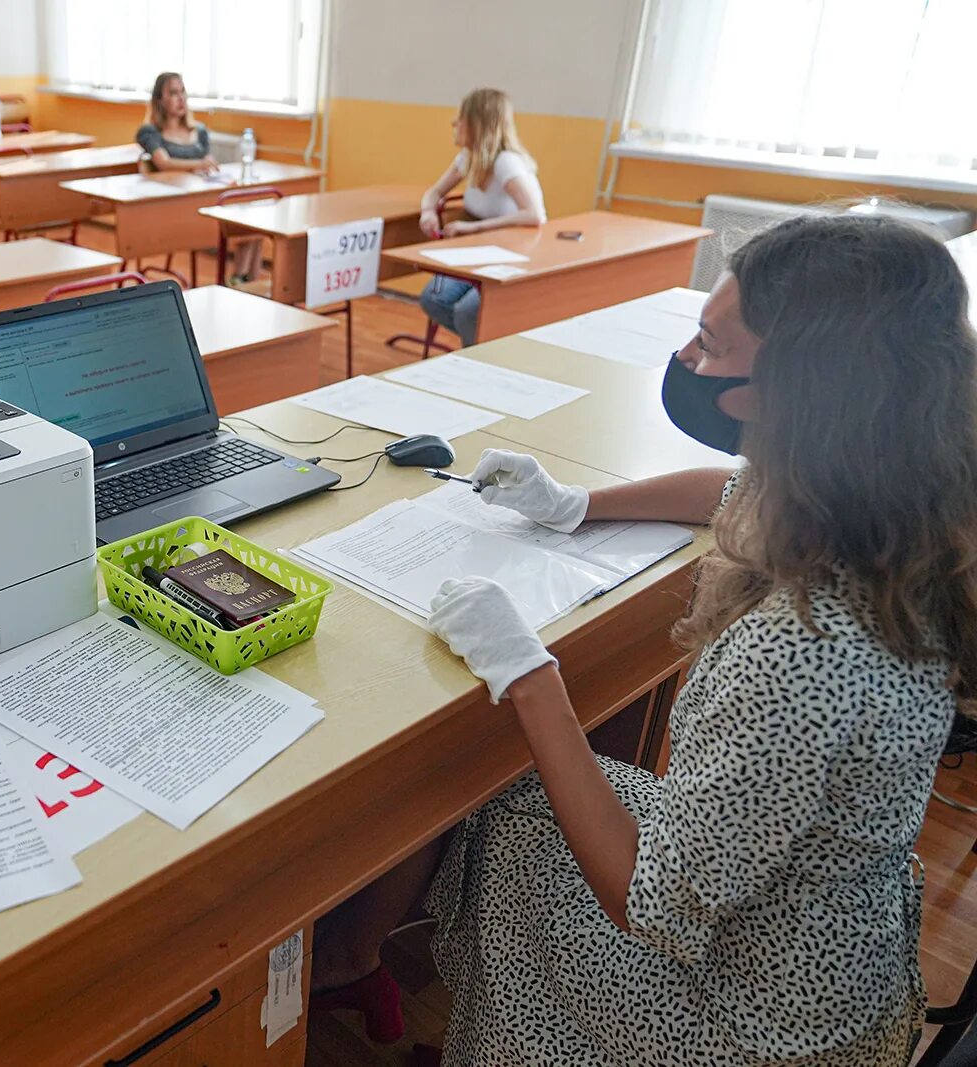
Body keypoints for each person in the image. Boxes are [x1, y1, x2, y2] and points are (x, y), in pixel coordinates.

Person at [312, 214, 977, 1065]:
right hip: (820, 935)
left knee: (497, 795)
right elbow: (737, 488)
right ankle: (360, 960)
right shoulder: (896, 509)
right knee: (503, 790)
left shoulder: (802, 652)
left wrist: (529, 672)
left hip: (752, 1018)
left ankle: (365, 970)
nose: (689, 364)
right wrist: (577, 505)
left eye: (710, 344)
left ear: (806, 390)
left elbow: (649, 905)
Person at [416, 88, 546, 346]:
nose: (455, 123)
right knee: (434, 299)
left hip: (514, 255)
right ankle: (483, 345)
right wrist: (428, 211)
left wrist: (473, 229)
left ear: (478, 124)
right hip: (480, 251)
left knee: (468, 313)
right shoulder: (469, 157)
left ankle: (479, 354)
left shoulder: (506, 163)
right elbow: (434, 191)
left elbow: (535, 215)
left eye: (461, 118)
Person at [135, 72, 262, 284]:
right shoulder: (149, 132)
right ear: (159, 100)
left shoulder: (199, 131)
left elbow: (207, 166)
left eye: (182, 91)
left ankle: (245, 280)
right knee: (243, 225)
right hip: (173, 205)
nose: (181, 98)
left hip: (203, 194)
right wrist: (200, 164)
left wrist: (208, 168)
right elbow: (163, 162)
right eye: (173, 93)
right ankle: (240, 280)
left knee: (253, 218)